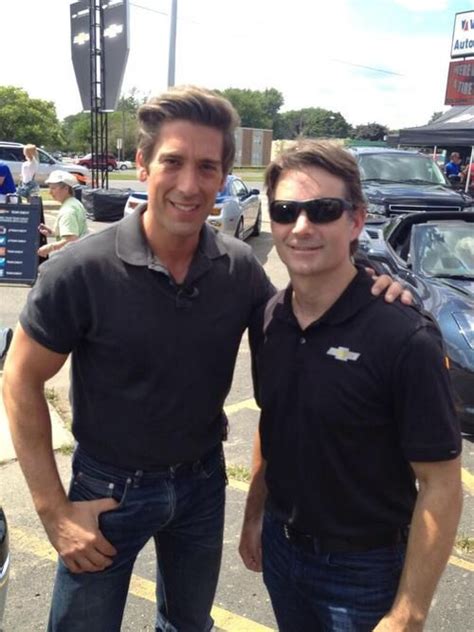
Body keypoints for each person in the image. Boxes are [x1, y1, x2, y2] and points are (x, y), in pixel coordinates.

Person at [3, 87, 409, 632]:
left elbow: (302, 323)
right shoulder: (81, 270)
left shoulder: (239, 269)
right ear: (143, 163)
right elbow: (20, 379)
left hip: (201, 484)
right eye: (173, 161)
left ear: (223, 177)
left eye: (208, 167)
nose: (190, 185)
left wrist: (377, 293)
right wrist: (53, 511)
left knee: (189, 624)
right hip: (107, 488)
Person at [239, 140, 463, 632]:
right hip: (282, 548)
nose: (301, 227)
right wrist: (254, 515)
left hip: (364, 570)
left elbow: (442, 484)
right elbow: (271, 420)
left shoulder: (404, 337)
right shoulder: (269, 318)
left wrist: (409, 611)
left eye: (323, 210)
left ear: (356, 220)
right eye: (285, 211)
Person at [37, 170, 87, 258]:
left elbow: (71, 240)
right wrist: (53, 232)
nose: (50, 192)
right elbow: (75, 231)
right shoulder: (75, 203)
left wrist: (49, 248)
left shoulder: (67, 211)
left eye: (53, 188)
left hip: (73, 259)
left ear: (66, 189)